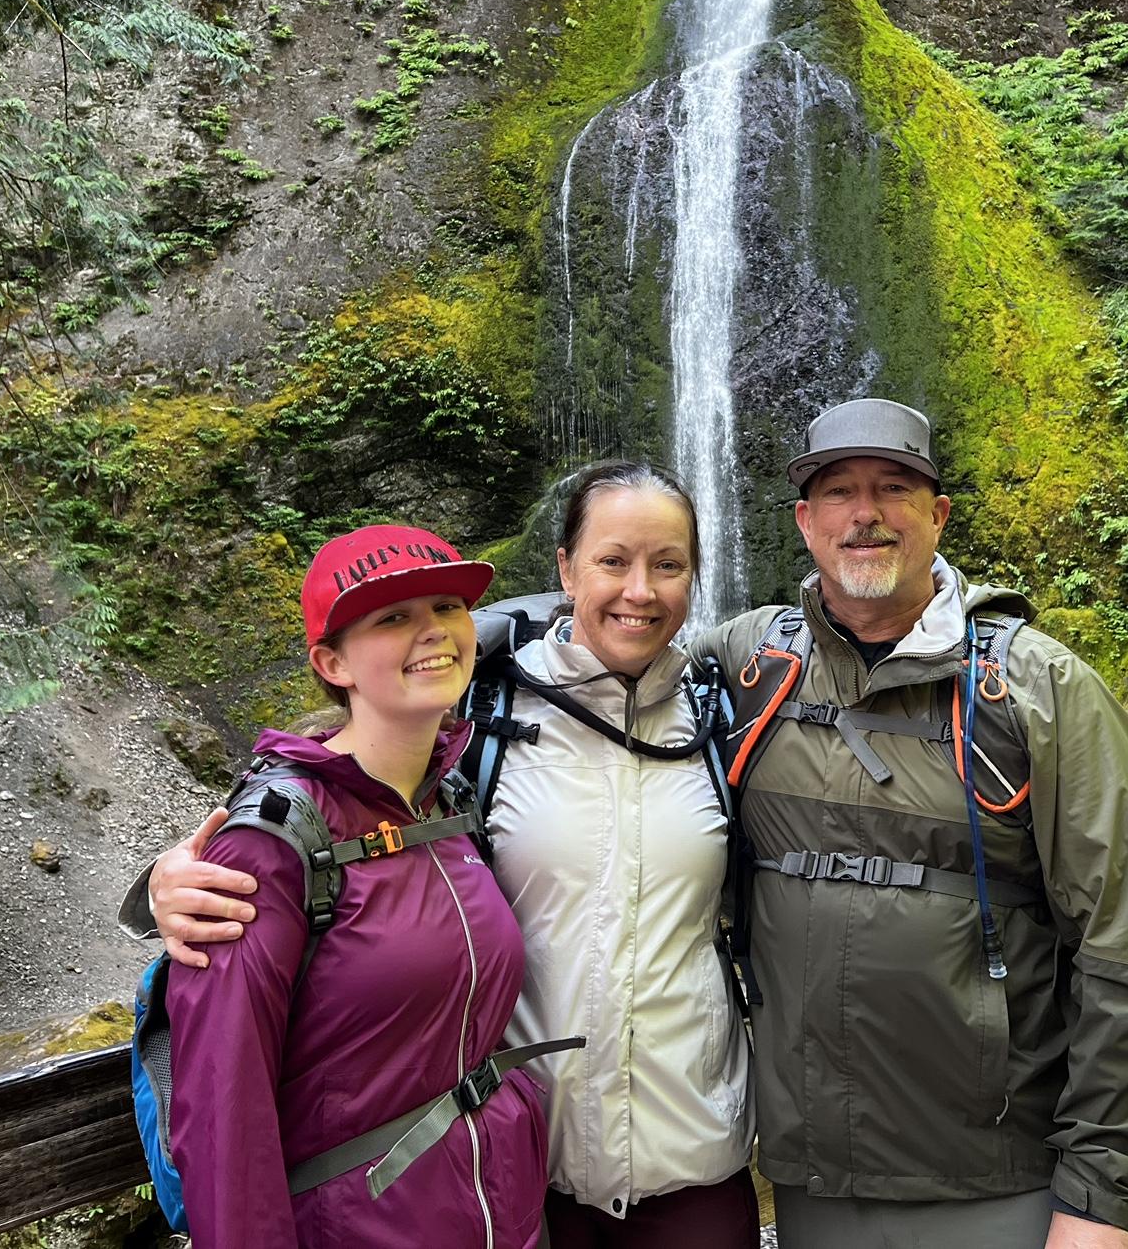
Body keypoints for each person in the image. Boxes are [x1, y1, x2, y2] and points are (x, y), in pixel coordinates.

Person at [133, 464, 758, 1248]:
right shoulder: (485, 720)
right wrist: (163, 885)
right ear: (565, 570)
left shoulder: (724, 714)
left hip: (641, 1158)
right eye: (612, 560)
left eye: (667, 564)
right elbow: (225, 1103)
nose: (640, 589)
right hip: (517, 1177)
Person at [687, 398, 1128, 1249]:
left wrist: (1098, 1198)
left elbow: (1127, 950)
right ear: (806, 521)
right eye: (839, 491)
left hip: (993, 1176)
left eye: (894, 488)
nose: (866, 513)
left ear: (938, 515)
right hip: (811, 1172)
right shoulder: (750, 665)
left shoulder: (1040, 690)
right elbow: (618, 650)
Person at [158, 524, 551, 1248]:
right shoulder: (272, 843)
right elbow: (222, 1115)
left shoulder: (450, 799)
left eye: (447, 607)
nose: (434, 631)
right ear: (332, 662)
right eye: (394, 617)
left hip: (501, 1210)